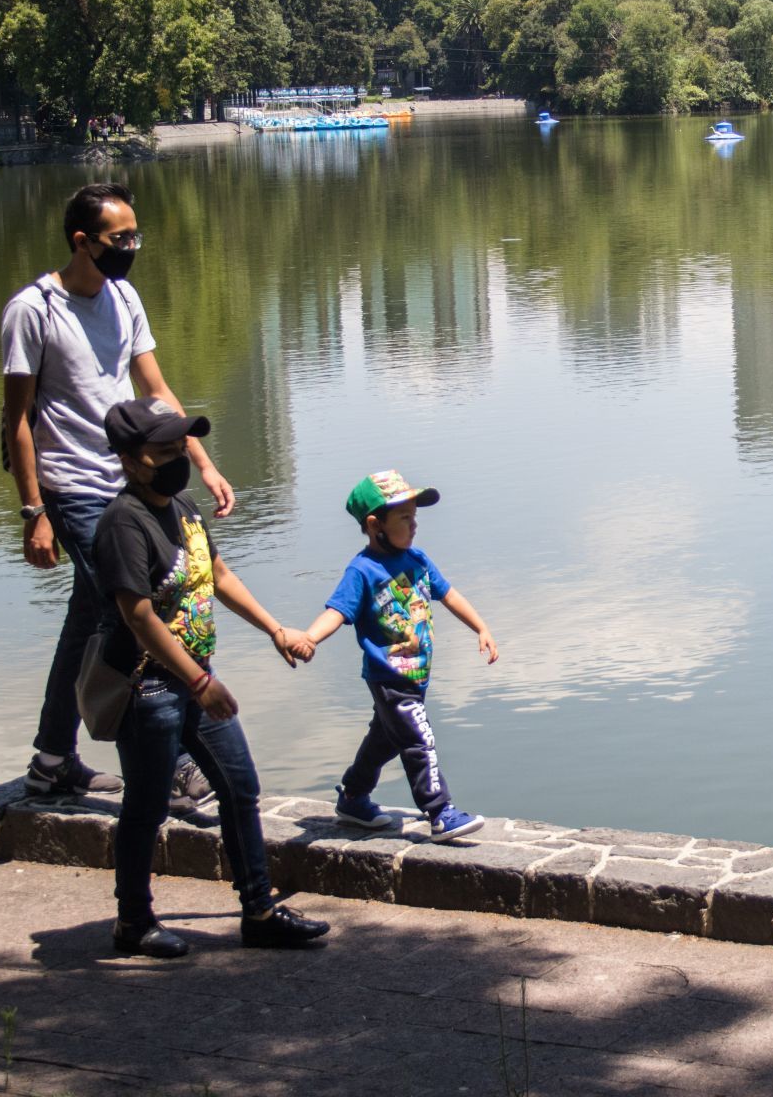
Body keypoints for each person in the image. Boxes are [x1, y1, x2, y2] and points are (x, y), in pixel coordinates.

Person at [1, 183, 230, 808]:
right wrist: (34, 513)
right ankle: (176, 759)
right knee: (137, 612)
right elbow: (16, 419)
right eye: (120, 238)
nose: (132, 247)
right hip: (72, 487)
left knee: (88, 622)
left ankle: (51, 762)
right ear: (83, 241)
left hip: (128, 479)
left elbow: (155, 388)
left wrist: (202, 462)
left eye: (135, 235)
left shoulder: (124, 297)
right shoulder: (34, 310)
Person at [93, 398, 329, 958]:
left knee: (240, 788)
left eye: (182, 448)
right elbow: (139, 616)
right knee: (147, 807)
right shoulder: (122, 523)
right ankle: (133, 922)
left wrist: (275, 629)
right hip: (150, 686)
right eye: (165, 451)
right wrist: (199, 682)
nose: (178, 458)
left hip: (197, 679)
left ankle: (260, 912)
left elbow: (217, 574)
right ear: (130, 459)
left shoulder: (182, 504)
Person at [296, 470, 496, 842]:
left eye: (414, 516)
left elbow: (449, 594)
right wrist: (310, 637)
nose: (415, 524)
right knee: (419, 740)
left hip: (417, 675)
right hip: (389, 677)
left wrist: (480, 627)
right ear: (375, 525)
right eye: (405, 518)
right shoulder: (362, 570)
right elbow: (338, 611)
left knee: (384, 741)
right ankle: (439, 812)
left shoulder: (417, 560)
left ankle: (353, 797)